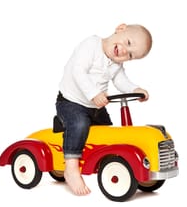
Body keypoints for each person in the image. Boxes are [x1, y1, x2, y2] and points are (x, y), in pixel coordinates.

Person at [56, 23, 152, 196]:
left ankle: (110, 164)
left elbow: (121, 81)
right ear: (120, 29)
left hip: (95, 106)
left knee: (108, 132)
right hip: (71, 102)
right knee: (79, 124)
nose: (124, 51)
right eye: (128, 42)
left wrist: (135, 90)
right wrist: (94, 93)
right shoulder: (91, 45)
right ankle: (71, 166)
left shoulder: (116, 63)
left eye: (130, 55)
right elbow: (78, 71)